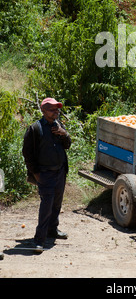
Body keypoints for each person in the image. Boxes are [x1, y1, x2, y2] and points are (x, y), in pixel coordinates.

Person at [22, 97, 72, 253]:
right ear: (43, 111)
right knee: (46, 206)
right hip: (45, 174)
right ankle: (39, 240)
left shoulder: (58, 126)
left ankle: (52, 230)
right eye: (52, 109)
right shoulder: (35, 129)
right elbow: (27, 153)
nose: (56, 112)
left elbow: (67, 145)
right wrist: (35, 173)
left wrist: (64, 134)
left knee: (56, 204)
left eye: (57, 109)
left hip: (60, 172)